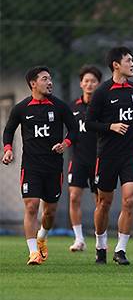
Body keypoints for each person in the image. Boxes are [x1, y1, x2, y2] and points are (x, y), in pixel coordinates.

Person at [2, 66, 77, 265]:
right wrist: (8, 149)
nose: (50, 82)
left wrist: (65, 144)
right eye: (45, 79)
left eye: (50, 79)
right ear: (33, 84)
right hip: (31, 166)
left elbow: (74, 129)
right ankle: (33, 252)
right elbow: (8, 131)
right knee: (31, 206)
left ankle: (42, 237)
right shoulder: (21, 108)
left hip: (53, 167)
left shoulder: (59, 106)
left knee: (49, 211)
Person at [86, 47, 133, 265]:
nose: (132, 64)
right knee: (104, 202)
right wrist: (110, 126)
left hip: (131, 153)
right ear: (116, 64)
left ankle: (120, 249)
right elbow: (89, 123)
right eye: (128, 60)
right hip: (107, 155)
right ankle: (100, 245)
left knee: (130, 199)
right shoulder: (103, 91)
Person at [67, 65, 102, 252]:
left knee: (100, 200)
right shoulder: (72, 107)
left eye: (93, 81)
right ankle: (79, 238)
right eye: (86, 81)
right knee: (74, 197)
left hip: (98, 158)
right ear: (81, 83)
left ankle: (99, 238)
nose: (89, 84)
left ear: (99, 84)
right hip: (78, 158)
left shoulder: (103, 108)